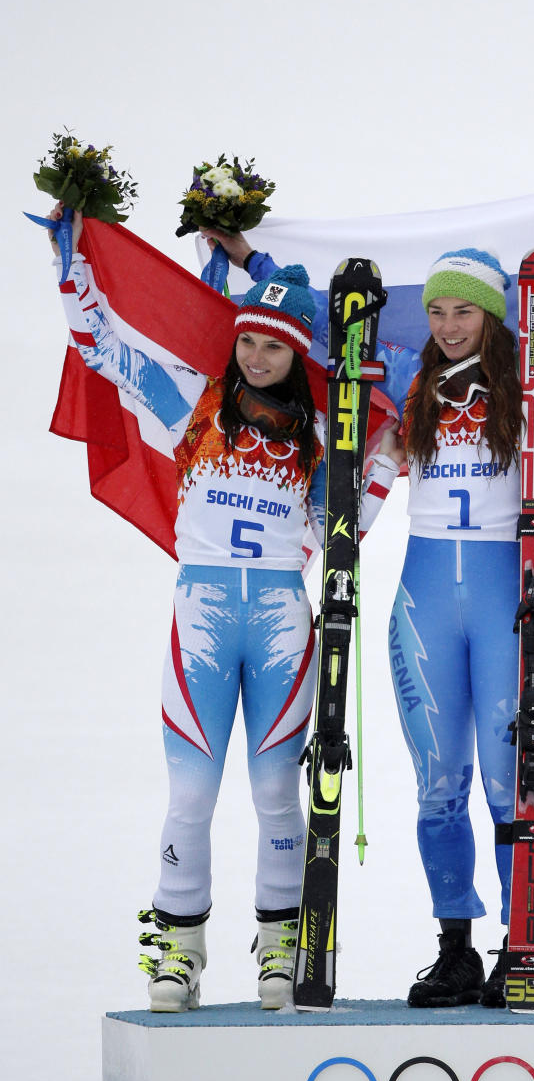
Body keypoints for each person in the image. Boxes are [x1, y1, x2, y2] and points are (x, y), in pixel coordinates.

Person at [205, 149, 534, 1008]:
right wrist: (250, 263)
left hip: (503, 596)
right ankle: (455, 946)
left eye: (463, 313)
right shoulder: (409, 382)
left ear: (493, 320)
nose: (447, 325)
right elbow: (328, 329)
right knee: (437, 783)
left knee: (504, 779)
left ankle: (523, 939)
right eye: (438, 311)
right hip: (421, 604)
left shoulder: (533, 383)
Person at [41, 205, 393, 1012]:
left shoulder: (316, 439)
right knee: (191, 795)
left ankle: (278, 947)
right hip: (201, 614)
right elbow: (104, 348)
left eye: (274, 344)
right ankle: (177, 949)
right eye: (248, 339)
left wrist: (380, 468)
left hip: (278, 619)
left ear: (296, 352)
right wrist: (70, 261)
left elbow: (338, 533)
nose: (258, 354)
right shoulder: (194, 407)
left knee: (277, 789)